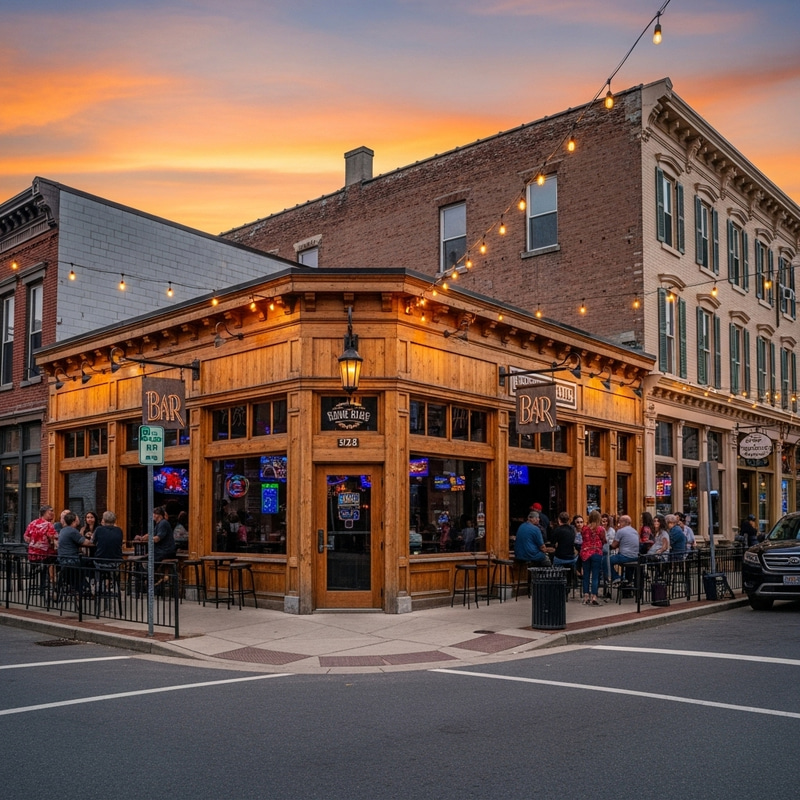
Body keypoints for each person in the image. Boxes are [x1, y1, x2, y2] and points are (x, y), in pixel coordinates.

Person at [579, 510, 605, 605]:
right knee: (595, 576)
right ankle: (594, 596)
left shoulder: (584, 528)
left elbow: (583, 538)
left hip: (586, 552)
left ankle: (586, 596)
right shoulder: (600, 529)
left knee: (586, 575)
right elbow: (604, 540)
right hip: (596, 552)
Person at [550, 511, 577, 595]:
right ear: (568, 520)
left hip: (560, 557)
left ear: (559, 520)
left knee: (553, 561)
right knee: (570, 569)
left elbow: (552, 543)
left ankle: (558, 586)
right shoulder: (572, 530)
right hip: (571, 558)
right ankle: (569, 586)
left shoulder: (557, 530)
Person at [610, 514, 640, 583]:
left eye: (620, 522)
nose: (618, 524)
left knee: (607, 560)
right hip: (635, 557)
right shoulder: (635, 531)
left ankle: (616, 577)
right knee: (628, 567)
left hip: (625, 556)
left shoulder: (621, 531)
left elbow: (614, 545)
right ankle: (627, 582)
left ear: (624, 522)